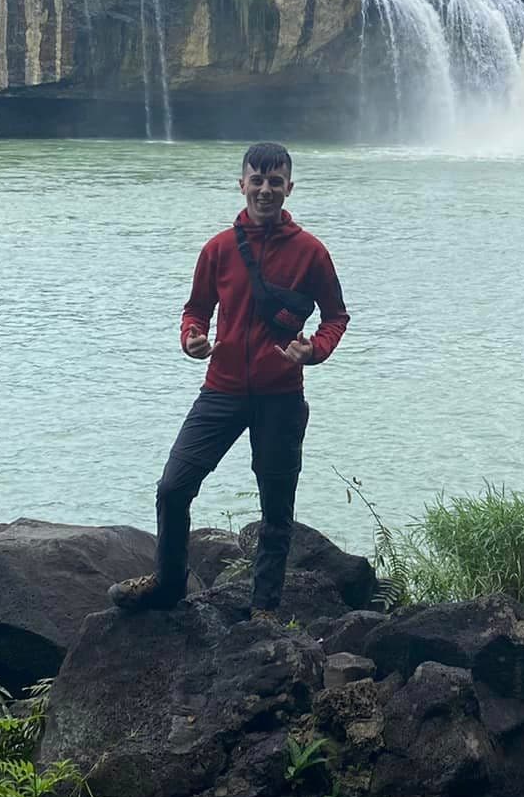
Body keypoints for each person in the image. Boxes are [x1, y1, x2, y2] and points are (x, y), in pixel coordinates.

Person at [108, 141, 350, 621]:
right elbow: (196, 310)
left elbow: (336, 316)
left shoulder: (311, 253)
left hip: (281, 396)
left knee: (276, 510)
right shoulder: (218, 249)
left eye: (274, 181)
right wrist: (192, 338)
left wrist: (316, 351)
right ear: (242, 185)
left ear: (289, 188)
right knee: (174, 487)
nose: (265, 190)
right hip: (220, 390)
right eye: (256, 181)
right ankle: (169, 583)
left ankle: (264, 610)